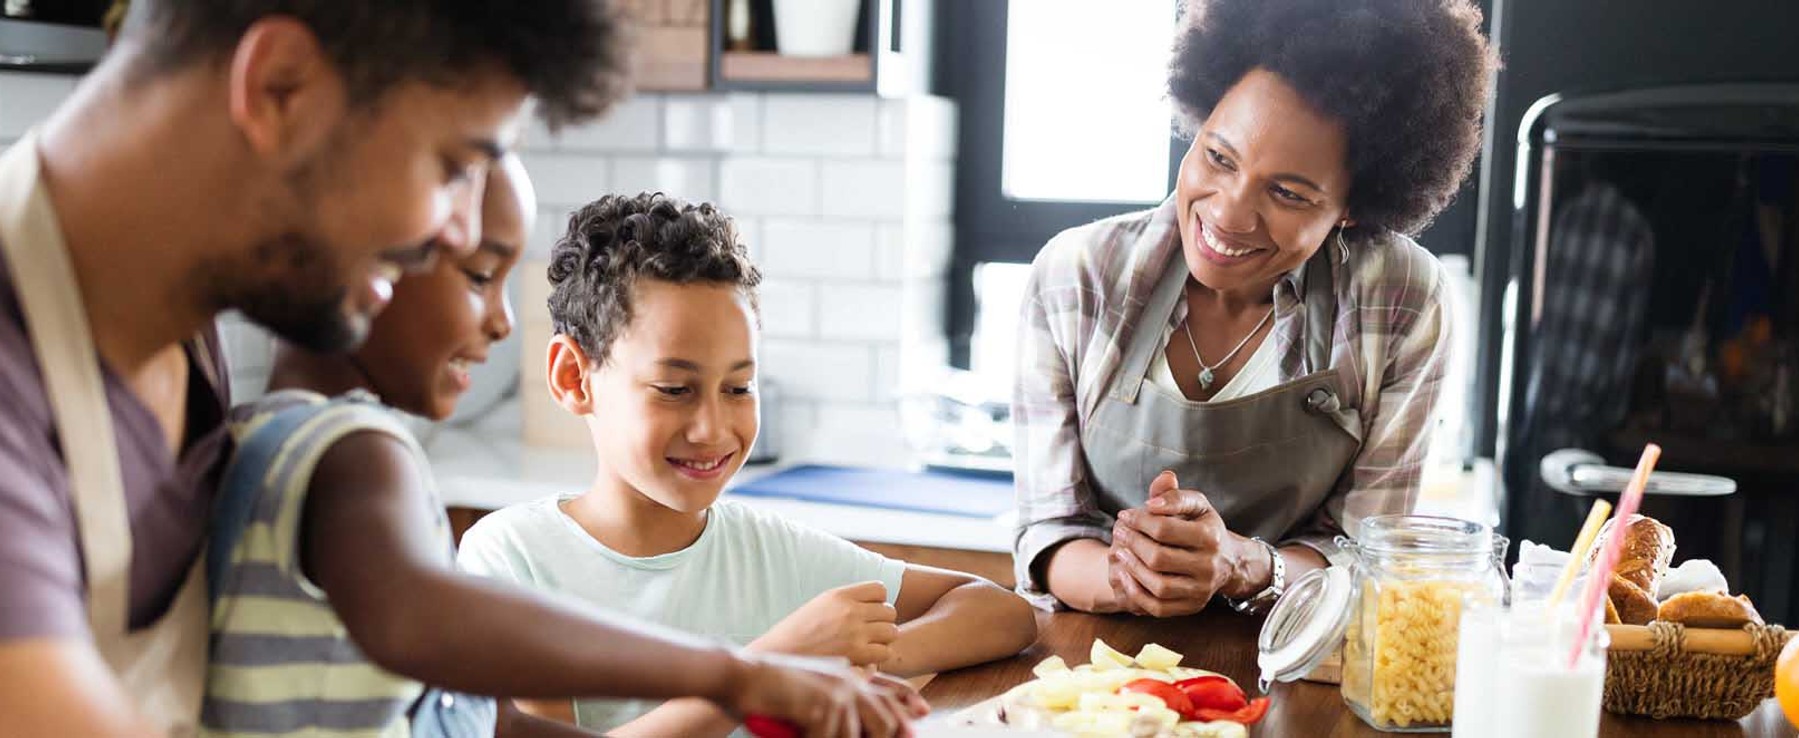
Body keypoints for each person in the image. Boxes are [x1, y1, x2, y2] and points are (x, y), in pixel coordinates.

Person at [0, 2, 918, 735]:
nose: (452, 233)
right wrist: (732, 671)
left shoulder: (178, 335)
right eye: (452, 166)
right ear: (280, 87)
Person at [207, 162, 924, 738]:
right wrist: (737, 675)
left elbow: (492, 721)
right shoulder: (352, 450)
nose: (500, 323)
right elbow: (424, 616)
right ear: (370, 266)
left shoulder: (286, 437)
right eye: (480, 276)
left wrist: (764, 684)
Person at [457, 191, 1038, 736]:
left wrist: (859, 656)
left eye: (738, 389)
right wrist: (769, 667)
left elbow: (1002, 612)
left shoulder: (768, 552)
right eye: (674, 388)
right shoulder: (513, 557)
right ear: (573, 378)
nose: (713, 428)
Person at [1012, 0, 1496, 617]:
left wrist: (1241, 566)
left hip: (1299, 670)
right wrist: (1140, 577)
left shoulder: (1400, 295)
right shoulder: (1077, 274)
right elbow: (1049, 533)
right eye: (1218, 158)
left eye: (1288, 193)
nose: (1228, 214)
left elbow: (1368, 557)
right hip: (1100, 677)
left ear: (1353, 207)